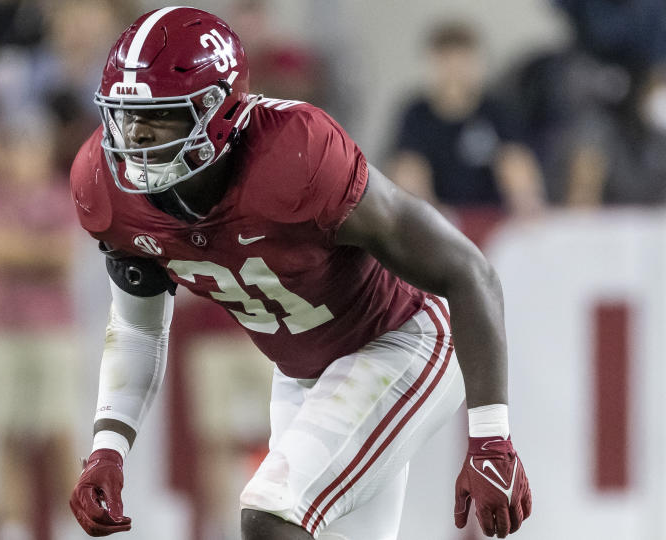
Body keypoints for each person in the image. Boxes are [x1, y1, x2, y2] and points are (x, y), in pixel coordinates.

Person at [68, 7, 532, 540]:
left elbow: (467, 270)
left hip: (400, 341)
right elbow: (137, 327)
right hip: (300, 372)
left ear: (215, 109)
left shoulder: (296, 154)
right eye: (124, 117)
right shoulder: (106, 186)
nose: (133, 139)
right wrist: (108, 447)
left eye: (157, 118)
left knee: (273, 513)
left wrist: (491, 439)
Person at [0, 117, 78, 540]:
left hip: (48, 331)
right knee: (5, 435)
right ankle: (12, 529)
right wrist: (34, 250)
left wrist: (13, 248)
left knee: (59, 432)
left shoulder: (59, 195)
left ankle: (78, 529)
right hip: (0, 330)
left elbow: (62, 256)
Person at [390, 21, 544, 217]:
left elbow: (517, 163)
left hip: (492, 216)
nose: (455, 70)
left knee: (514, 163)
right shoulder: (416, 113)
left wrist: (525, 202)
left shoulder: (497, 110)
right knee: (407, 171)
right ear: (434, 63)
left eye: (462, 60)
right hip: (440, 218)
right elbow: (407, 170)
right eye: (447, 61)